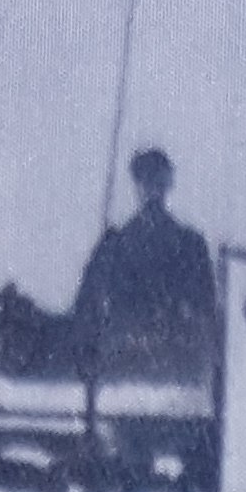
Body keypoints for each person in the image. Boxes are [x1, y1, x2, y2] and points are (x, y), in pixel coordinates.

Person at [73, 148, 219, 385]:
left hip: (170, 361)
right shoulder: (114, 244)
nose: (153, 190)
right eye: (147, 181)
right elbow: (88, 305)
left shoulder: (190, 245)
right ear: (138, 185)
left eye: (157, 181)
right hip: (126, 361)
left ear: (168, 184)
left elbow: (206, 309)